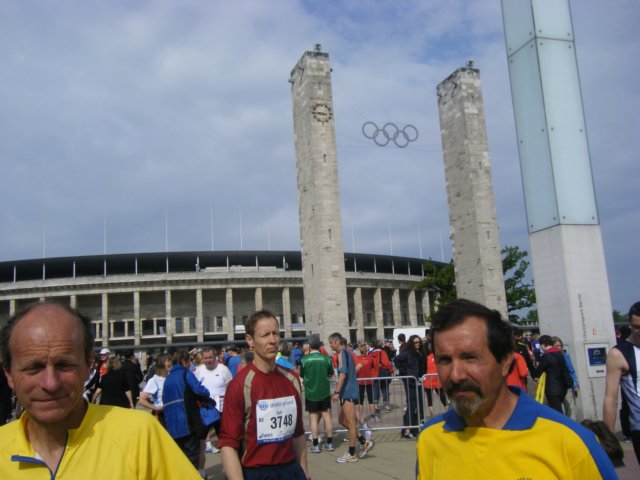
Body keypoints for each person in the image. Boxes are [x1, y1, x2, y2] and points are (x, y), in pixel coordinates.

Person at [416, 298, 617, 479]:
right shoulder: (430, 439)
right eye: (444, 360)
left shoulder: (570, 443)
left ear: (505, 361)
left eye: (470, 358)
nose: (456, 375)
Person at [0, 301, 201, 478]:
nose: (50, 383)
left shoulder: (140, 436)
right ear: (8, 373)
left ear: (89, 366)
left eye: (65, 365)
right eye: (33, 368)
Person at [217, 310, 309, 480]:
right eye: (265, 335)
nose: (272, 340)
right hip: (256, 472)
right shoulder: (240, 386)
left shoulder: (292, 379)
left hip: (291, 470)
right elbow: (228, 444)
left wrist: (304, 473)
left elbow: (298, 433)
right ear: (250, 340)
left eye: (275, 333)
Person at [162, 350, 211, 477]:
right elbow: (200, 390)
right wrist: (207, 393)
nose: (190, 364)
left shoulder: (168, 378)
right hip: (186, 421)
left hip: (172, 425)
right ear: (183, 361)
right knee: (192, 456)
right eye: (188, 361)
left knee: (180, 457)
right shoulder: (185, 373)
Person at [328, 333, 374, 463]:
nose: (330, 345)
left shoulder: (342, 354)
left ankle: (352, 453)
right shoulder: (347, 353)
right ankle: (364, 441)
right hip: (348, 391)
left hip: (348, 392)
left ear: (337, 342)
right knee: (342, 421)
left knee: (351, 423)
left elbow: (343, 374)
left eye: (331, 342)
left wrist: (337, 392)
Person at [604, 301, 640, 465]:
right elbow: (611, 398)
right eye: (637, 327)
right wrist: (609, 439)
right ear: (630, 324)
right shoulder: (619, 354)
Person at [299, 334, 335, 453]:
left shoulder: (304, 360)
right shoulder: (326, 359)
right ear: (319, 345)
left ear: (309, 346)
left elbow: (302, 375)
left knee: (313, 418)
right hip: (324, 392)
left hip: (311, 393)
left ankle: (315, 444)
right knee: (327, 417)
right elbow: (331, 374)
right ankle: (330, 443)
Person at [194, 346, 232, 453]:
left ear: (215, 357)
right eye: (206, 358)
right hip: (205, 410)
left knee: (224, 438)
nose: (208, 360)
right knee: (201, 441)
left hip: (221, 410)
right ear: (203, 359)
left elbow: (231, 388)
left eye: (210, 357)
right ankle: (202, 462)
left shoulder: (223, 369)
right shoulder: (199, 370)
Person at [394, 334, 426, 438]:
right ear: (412, 343)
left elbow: (423, 366)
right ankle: (407, 430)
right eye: (416, 342)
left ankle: (419, 427)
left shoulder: (421, 353)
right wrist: (405, 372)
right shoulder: (408, 353)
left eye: (419, 342)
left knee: (420, 404)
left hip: (419, 381)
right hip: (410, 382)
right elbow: (396, 360)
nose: (418, 344)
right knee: (412, 404)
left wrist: (423, 376)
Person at [535, 334, 572, 413]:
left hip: (552, 389)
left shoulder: (546, 356)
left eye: (541, 346)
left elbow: (538, 371)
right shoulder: (560, 354)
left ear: (544, 345)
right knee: (559, 409)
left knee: (556, 412)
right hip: (563, 387)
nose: (541, 348)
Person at [138, 353, 171, 426]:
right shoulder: (154, 380)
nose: (170, 363)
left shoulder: (171, 377)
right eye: (168, 361)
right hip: (161, 416)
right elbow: (142, 400)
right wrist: (156, 408)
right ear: (161, 363)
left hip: (173, 414)